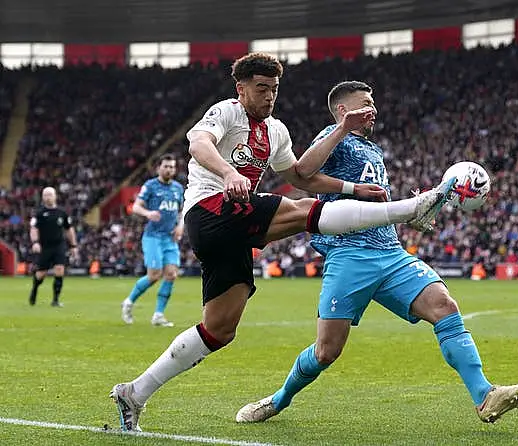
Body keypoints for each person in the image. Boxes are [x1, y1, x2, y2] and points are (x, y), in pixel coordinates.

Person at [109, 53, 455, 431]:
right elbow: (198, 144)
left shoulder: (276, 130)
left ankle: (135, 392)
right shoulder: (226, 112)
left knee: (219, 329)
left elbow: (302, 176)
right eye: (261, 89)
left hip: (233, 229)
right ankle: (411, 209)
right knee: (307, 211)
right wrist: (227, 172)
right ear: (240, 89)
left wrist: (354, 188)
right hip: (210, 209)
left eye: (274, 89)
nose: (269, 96)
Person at [235, 81, 518, 425]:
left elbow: (376, 204)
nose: (373, 109)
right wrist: (340, 129)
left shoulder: (374, 151)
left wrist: (414, 213)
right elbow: (302, 173)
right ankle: (278, 399)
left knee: (444, 306)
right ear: (344, 110)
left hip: (390, 252)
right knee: (326, 351)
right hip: (349, 254)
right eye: (365, 103)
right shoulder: (334, 137)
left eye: (373, 102)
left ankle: (484, 395)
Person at [121, 154, 184, 327]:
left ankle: (158, 315)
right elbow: (136, 206)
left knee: (171, 274)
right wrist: (148, 213)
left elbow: (181, 211)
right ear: (158, 168)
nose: (169, 169)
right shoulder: (150, 186)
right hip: (153, 237)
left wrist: (180, 226)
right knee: (154, 275)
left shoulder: (178, 188)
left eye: (172, 167)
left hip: (170, 238)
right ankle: (129, 302)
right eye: (166, 166)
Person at [28, 187, 78, 307]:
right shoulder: (39, 213)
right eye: (45, 195)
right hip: (45, 246)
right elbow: (34, 229)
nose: (48, 197)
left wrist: (73, 245)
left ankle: (55, 300)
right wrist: (35, 242)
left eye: (50, 195)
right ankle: (34, 289)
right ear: (42, 197)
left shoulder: (62, 213)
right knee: (41, 274)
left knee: (60, 270)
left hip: (59, 245)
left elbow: (69, 229)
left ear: (55, 196)